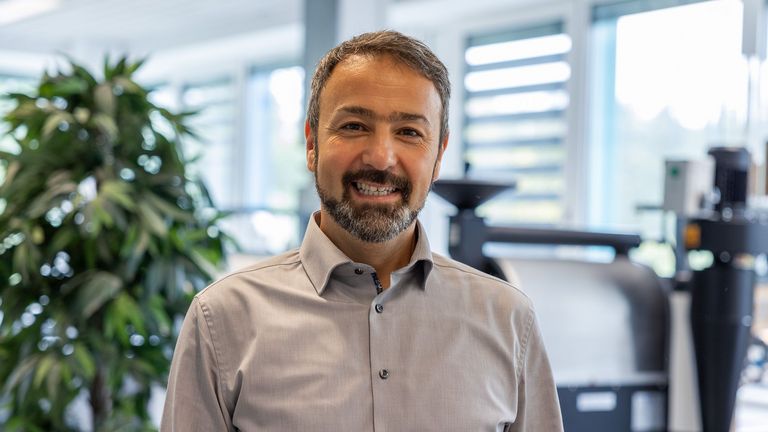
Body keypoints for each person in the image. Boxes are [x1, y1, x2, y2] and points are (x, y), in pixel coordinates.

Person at [161, 30, 563, 431]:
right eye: (354, 126)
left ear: (438, 156)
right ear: (311, 145)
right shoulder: (222, 320)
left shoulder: (509, 321)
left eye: (409, 132)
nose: (381, 158)